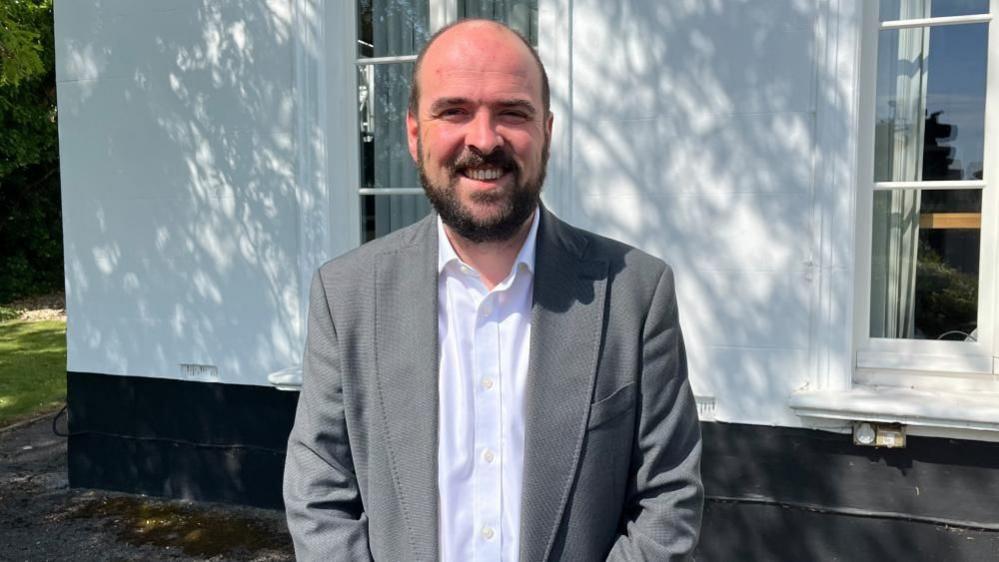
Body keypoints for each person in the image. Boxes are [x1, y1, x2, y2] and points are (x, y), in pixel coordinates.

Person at [283, 19, 703, 562]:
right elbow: (318, 497)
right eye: (454, 111)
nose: (484, 139)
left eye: (512, 112)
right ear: (415, 133)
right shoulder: (346, 297)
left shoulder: (635, 295)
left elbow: (670, 501)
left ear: (546, 131)